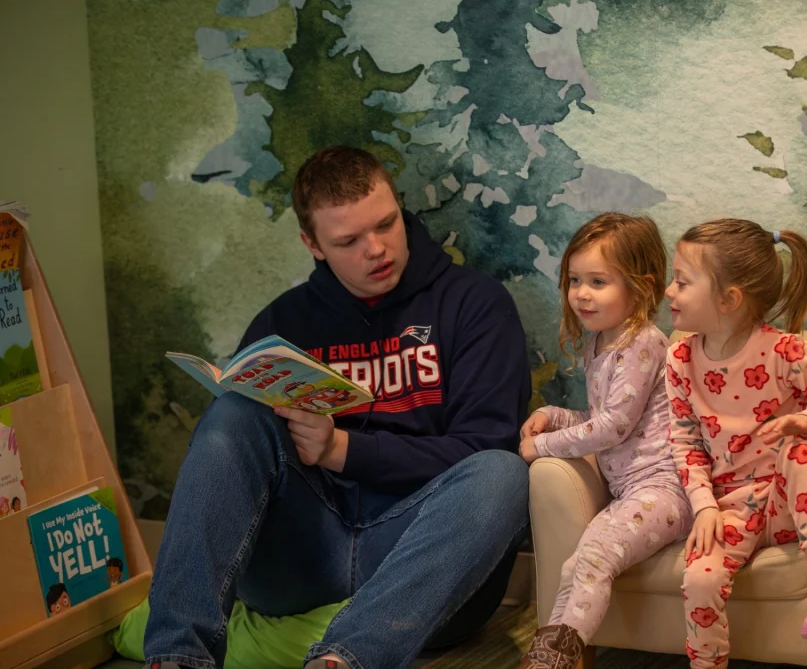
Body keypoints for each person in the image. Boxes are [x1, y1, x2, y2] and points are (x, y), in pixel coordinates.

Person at [143, 145, 532, 669]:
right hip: (304, 554)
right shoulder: (284, 324)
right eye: (348, 241)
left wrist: (344, 449)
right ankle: (176, 656)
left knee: (503, 472)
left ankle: (346, 660)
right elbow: (239, 466)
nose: (377, 249)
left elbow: (484, 446)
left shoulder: (474, 304)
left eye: (387, 224)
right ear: (313, 244)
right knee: (233, 414)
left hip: (423, 561)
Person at [664, 219, 807, 668]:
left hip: (787, 501)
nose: (670, 292)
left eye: (682, 282)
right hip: (730, 507)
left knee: (800, 449)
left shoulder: (783, 351)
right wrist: (704, 505)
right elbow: (685, 439)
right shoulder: (679, 358)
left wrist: (804, 419)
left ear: (729, 299)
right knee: (698, 579)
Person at [517, 213, 695, 669]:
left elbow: (613, 427)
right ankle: (552, 656)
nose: (581, 293)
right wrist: (553, 415)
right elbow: (606, 420)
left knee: (594, 555)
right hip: (633, 491)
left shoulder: (643, 342)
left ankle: (553, 658)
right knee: (578, 565)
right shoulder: (603, 341)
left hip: (664, 490)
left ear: (641, 287)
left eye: (598, 281)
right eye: (575, 279)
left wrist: (545, 446)